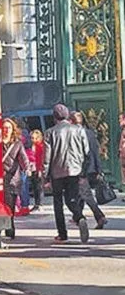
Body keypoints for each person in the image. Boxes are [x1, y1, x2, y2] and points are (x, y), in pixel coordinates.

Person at [43, 104, 90, 244]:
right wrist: (83, 171)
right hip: (75, 170)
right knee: (72, 198)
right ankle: (79, 216)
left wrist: (45, 176)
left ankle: (62, 234)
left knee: (58, 203)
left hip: (57, 172)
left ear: (54, 117)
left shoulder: (50, 133)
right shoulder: (79, 130)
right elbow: (86, 151)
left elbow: (47, 158)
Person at [71, 112, 107, 229]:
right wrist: (98, 169)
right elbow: (96, 152)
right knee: (80, 192)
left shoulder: (74, 134)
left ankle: (99, 216)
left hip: (81, 169)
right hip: (91, 168)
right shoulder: (90, 133)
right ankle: (77, 216)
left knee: (86, 194)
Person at [1, 118, 30, 240]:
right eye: (4, 128)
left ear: (13, 130)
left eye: (9, 128)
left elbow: (23, 157)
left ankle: (10, 228)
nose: (6, 130)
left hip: (13, 178)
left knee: (10, 205)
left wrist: (27, 168)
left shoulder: (17, 144)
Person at [27, 129, 45, 211]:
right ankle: (36, 203)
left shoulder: (41, 146)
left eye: (35, 138)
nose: (33, 140)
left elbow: (42, 159)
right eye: (32, 138)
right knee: (34, 186)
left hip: (39, 168)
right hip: (32, 168)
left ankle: (40, 203)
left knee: (39, 187)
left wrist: (41, 170)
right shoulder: (31, 146)